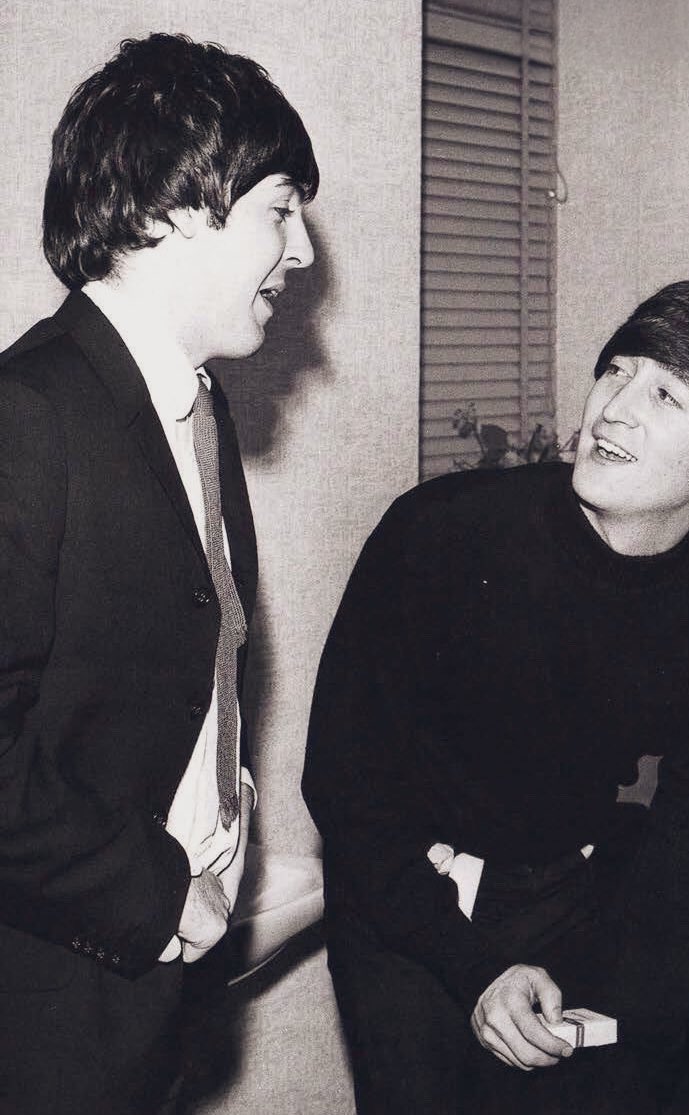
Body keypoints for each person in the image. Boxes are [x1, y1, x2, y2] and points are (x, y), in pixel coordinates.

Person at [302, 280, 689, 1114]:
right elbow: (345, 785)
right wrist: (473, 971)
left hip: (562, 888)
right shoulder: (439, 533)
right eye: (616, 370)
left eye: (663, 394)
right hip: (403, 892)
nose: (613, 408)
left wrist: (643, 1031)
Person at [0, 32, 317, 1115]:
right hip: (44, 996)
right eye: (280, 207)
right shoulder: (25, 417)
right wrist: (155, 890)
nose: (304, 250)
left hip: (152, 983)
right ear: (175, 206)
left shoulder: (197, 405)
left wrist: (224, 824)